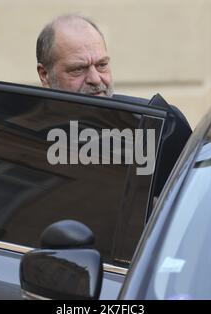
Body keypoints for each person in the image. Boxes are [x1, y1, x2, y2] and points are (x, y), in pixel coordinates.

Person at [36, 14, 192, 199]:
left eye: (102, 65)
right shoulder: (12, 130)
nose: (95, 79)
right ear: (44, 74)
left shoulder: (158, 126)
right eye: (78, 69)